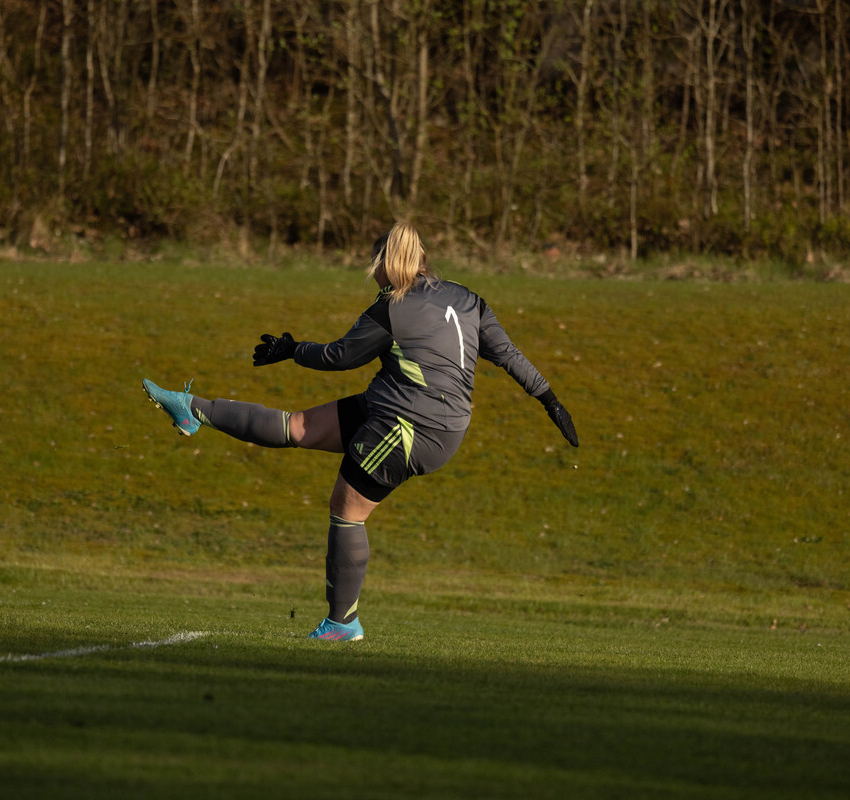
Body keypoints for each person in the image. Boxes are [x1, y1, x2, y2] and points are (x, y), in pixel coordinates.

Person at [141, 222, 578, 641]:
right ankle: (192, 410)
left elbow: (340, 356)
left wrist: (293, 349)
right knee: (298, 427)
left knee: (346, 508)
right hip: (402, 409)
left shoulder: (391, 307)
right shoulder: (468, 299)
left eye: (375, 263)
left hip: (411, 427)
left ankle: (342, 623)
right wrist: (551, 400)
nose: (373, 273)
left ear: (386, 263)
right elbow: (509, 355)